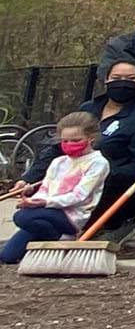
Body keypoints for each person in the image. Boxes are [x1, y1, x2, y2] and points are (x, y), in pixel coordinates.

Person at [59, 60, 135, 242]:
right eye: (117, 78)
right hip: (73, 177)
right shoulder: (88, 109)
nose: (123, 82)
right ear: (106, 80)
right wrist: (30, 178)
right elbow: (58, 145)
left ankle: (108, 226)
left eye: (130, 78)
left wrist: (102, 172)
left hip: (111, 185)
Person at [1, 112, 109, 265]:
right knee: (7, 256)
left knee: (22, 217)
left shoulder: (98, 163)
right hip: (47, 212)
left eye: (76, 140)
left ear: (90, 138)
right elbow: (45, 188)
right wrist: (32, 200)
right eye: (65, 140)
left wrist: (42, 203)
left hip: (71, 215)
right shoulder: (58, 162)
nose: (70, 144)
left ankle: (60, 237)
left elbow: (79, 196)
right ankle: (51, 239)